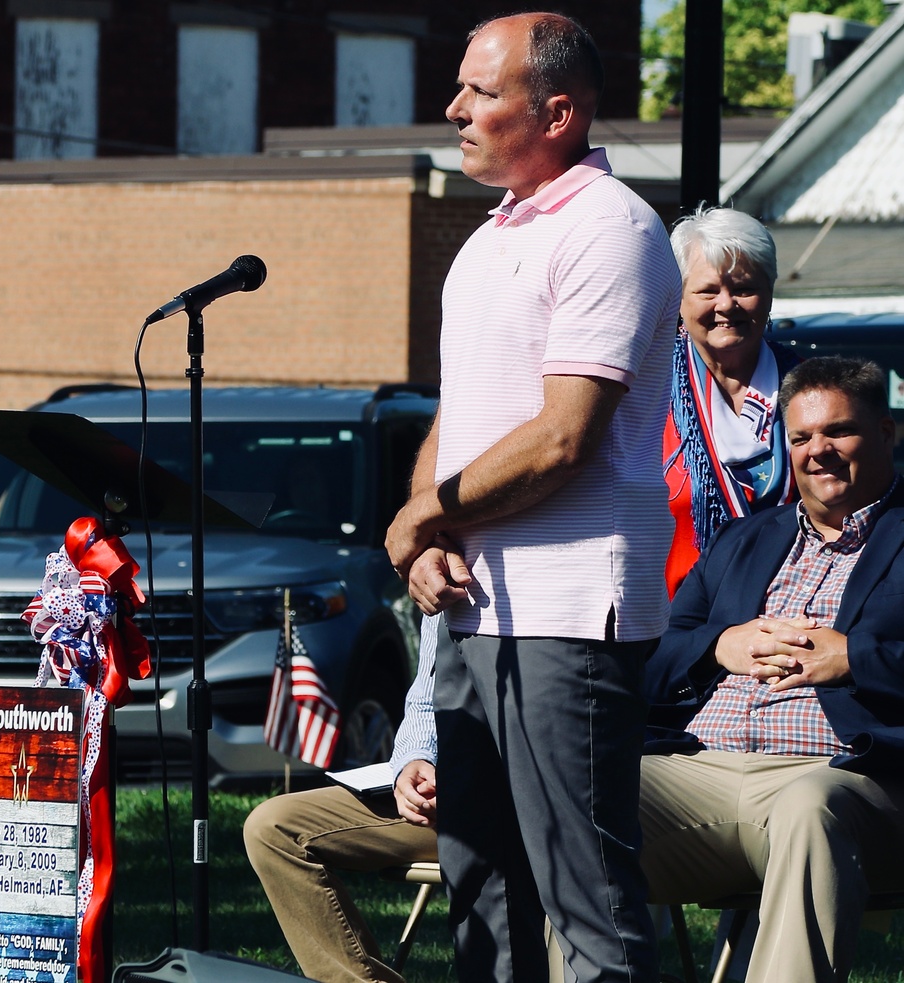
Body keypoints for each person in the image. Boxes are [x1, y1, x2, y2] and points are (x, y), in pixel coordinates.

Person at [385, 12, 680, 982]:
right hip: (476, 606)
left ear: (556, 111)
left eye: (481, 91)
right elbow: (461, 415)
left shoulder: (612, 228)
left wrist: (425, 516)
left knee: (585, 897)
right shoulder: (488, 238)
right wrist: (429, 525)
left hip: (568, 612)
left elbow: (563, 435)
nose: (453, 108)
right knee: (482, 886)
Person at [641, 355, 904, 983]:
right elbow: (651, 661)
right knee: (583, 794)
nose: (819, 452)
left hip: (844, 774)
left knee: (809, 807)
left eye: (838, 431)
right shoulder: (744, 541)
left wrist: (854, 659)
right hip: (701, 765)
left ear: (888, 433)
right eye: (802, 437)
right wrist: (718, 644)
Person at [244, 616, 440, 983]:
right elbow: (426, 703)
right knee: (273, 827)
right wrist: (416, 760)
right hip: (443, 803)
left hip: (531, 803)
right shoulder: (442, 580)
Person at [663, 205, 800, 597]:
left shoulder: (813, 389)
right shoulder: (643, 390)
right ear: (680, 298)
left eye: (744, 288)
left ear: (770, 293)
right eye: (707, 290)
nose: (726, 305)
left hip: (788, 623)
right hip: (669, 632)